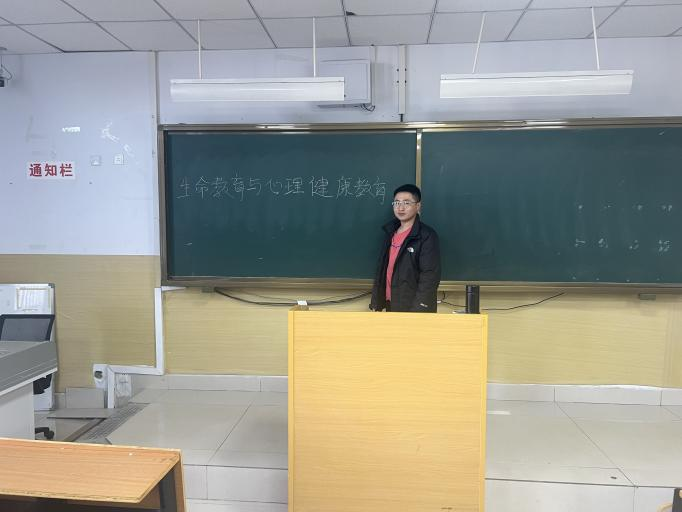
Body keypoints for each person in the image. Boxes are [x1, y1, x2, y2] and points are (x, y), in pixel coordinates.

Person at [370, 184, 441, 313]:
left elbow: (429, 276)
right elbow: (382, 270)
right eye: (397, 203)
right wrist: (376, 302)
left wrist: (418, 310)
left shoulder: (426, 236)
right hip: (390, 303)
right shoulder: (390, 232)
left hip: (414, 309)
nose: (400, 208)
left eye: (406, 203)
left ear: (418, 206)